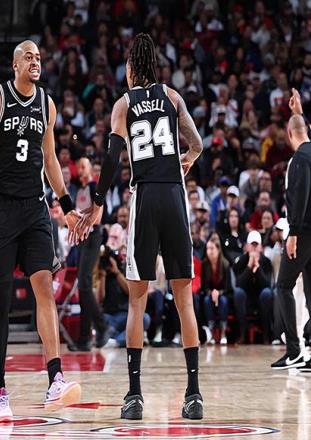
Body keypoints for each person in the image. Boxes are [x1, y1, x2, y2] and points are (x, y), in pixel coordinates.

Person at [76, 33, 204, 420]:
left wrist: (98, 202)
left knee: (137, 299)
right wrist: (187, 159)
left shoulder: (124, 103)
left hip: (146, 197)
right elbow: (197, 143)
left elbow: (112, 157)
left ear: (132, 68)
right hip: (175, 198)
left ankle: (134, 396)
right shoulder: (173, 97)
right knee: (184, 300)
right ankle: (194, 394)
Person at [0, 40, 81, 421]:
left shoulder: (46, 103)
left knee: (44, 286)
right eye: (28, 57)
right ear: (15, 65)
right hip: (0, 208)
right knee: (2, 301)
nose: (35, 62)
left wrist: (66, 206)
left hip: (34, 208)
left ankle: (55, 378)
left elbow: (50, 158)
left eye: (38, 58)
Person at [271, 89, 311, 372]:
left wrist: (292, 233)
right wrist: (298, 113)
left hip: (303, 231)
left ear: (290, 135)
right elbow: (308, 132)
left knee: (283, 286)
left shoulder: (299, 159)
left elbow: (298, 198)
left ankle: (293, 350)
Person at [69, 157, 109, 352]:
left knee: (85, 283)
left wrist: (80, 216)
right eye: (79, 167)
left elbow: (98, 215)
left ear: (91, 170)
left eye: (83, 167)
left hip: (93, 235)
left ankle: (102, 326)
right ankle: (84, 337)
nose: (80, 170)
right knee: (83, 286)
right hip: (82, 238)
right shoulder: (79, 190)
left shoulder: (94, 187)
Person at [233, 230, 274, 344]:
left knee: (267, 293)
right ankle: (242, 334)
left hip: (261, 298)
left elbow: (267, 284)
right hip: (246, 298)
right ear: (247, 246)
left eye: (256, 245)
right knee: (238, 292)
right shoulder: (240, 261)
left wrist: (258, 268)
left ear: (261, 247)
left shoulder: (266, 262)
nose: (254, 248)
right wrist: (249, 266)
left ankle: (266, 335)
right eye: (252, 245)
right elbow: (239, 283)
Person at [201, 238, 231, 345]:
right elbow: (204, 287)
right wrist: (211, 292)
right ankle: (211, 331)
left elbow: (228, 287)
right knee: (206, 300)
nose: (209, 251)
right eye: (207, 248)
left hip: (223, 294)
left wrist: (218, 293)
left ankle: (223, 333)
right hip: (209, 294)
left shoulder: (225, 264)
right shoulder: (205, 264)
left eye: (212, 248)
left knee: (223, 301)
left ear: (218, 250)